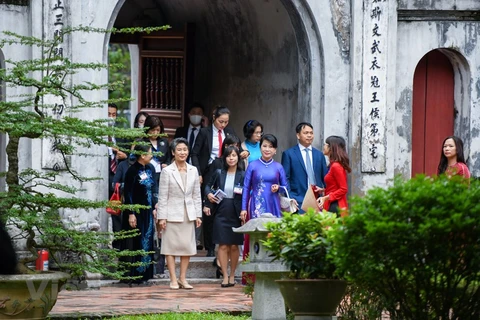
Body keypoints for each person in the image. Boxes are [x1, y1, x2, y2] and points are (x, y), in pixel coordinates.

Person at [157, 138, 203, 290]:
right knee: (170, 247)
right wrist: (161, 217)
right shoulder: (167, 171)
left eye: (185, 149)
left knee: (186, 246)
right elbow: (163, 196)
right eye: (179, 150)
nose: (182, 152)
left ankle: (183, 278)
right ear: (173, 152)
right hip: (171, 213)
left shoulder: (193, 170)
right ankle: (173, 279)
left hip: (188, 213)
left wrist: (198, 215)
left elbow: (197, 195)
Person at [191, 105, 237, 257]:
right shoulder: (205, 132)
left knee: (225, 207)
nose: (223, 125)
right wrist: (198, 172)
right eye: (221, 121)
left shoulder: (229, 132)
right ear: (214, 118)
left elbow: (237, 149)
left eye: (226, 122)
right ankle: (210, 246)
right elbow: (195, 153)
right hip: (210, 171)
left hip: (226, 170)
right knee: (209, 207)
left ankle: (226, 244)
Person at [204, 146, 245, 287]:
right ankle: (225, 275)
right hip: (221, 211)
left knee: (234, 246)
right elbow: (208, 186)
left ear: (238, 157)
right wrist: (209, 194)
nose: (231, 158)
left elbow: (246, 194)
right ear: (224, 158)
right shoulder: (218, 172)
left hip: (236, 212)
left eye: (234, 155)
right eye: (228, 156)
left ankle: (233, 275)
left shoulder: (243, 174)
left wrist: (244, 210)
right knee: (222, 245)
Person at [121, 143, 157, 284]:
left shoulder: (150, 168)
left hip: (147, 211)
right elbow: (128, 193)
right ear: (142, 155)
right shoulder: (132, 171)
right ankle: (133, 274)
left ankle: (145, 273)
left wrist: (154, 206)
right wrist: (131, 212)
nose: (152, 155)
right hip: (136, 211)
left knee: (147, 238)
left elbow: (152, 189)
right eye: (149, 152)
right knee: (136, 240)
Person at [174, 102, 208, 250]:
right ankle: (179, 239)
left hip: (197, 173)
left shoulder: (206, 133)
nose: (196, 115)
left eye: (199, 113)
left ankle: (196, 240)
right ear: (188, 115)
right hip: (179, 171)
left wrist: (200, 173)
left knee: (196, 203)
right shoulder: (180, 130)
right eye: (193, 112)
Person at [281, 122, 328, 212]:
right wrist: (290, 197)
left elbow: (325, 178)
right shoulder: (289, 154)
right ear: (298, 135)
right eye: (306, 133)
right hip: (297, 200)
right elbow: (285, 178)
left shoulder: (319, 155)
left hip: (317, 200)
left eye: (311, 133)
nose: (309, 135)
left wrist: (326, 196)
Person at [240, 134, 288, 220]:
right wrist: (243, 208)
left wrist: (278, 188)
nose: (267, 149)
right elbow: (246, 188)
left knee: (273, 231)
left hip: (273, 203)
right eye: (264, 146)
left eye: (271, 147)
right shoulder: (252, 165)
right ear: (260, 147)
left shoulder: (278, 167)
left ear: (275, 150)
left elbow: (286, 187)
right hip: (256, 204)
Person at [107, 103, 128, 249]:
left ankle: (119, 241)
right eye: (108, 114)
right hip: (103, 172)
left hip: (116, 176)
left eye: (114, 115)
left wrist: (123, 155)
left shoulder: (120, 134)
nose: (111, 118)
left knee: (116, 208)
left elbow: (129, 156)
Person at [316, 136, 351, 216]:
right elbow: (335, 186)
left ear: (331, 148)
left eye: (326, 144)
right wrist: (323, 190)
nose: (324, 146)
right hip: (332, 203)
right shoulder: (332, 165)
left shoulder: (336, 166)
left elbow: (343, 189)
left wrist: (326, 197)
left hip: (336, 205)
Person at [144, 115, 171, 183]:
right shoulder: (141, 142)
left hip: (162, 177)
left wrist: (166, 165)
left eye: (158, 130)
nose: (155, 133)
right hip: (145, 176)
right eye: (153, 130)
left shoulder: (164, 142)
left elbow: (168, 158)